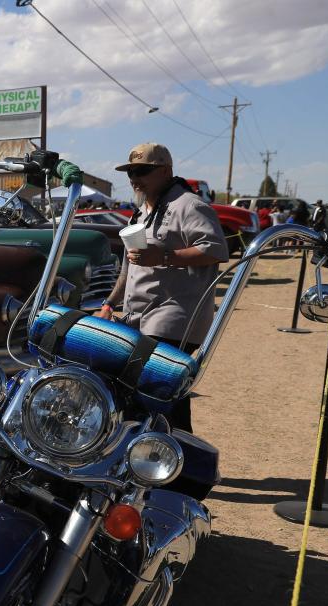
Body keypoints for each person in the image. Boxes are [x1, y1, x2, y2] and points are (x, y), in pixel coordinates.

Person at [97, 143, 229, 432]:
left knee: (160, 392)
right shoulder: (142, 212)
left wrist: (166, 257)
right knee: (151, 395)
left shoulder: (189, 205)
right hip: (142, 319)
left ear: (166, 171)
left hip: (175, 319)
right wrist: (108, 304)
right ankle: (159, 460)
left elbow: (217, 249)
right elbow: (128, 270)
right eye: (130, 172)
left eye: (142, 170)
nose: (134, 178)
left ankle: (182, 466)